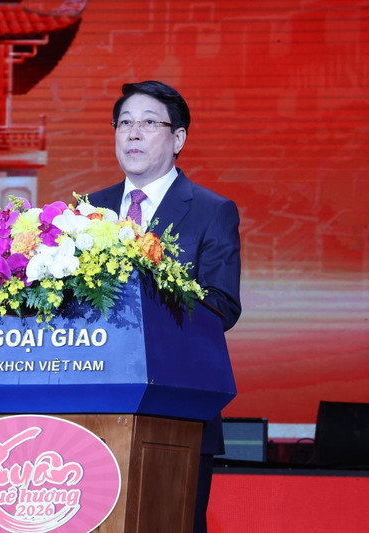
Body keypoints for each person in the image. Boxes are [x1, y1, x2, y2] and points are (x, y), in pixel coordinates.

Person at [89, 80, 241, 533]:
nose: (133, 134)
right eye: (125, 123)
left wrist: (152, 291)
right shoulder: (88, 209)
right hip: (94, 406)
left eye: (149, 123)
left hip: (178, 409)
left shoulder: (212, 210)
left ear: (178, 139)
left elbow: (222, 306)